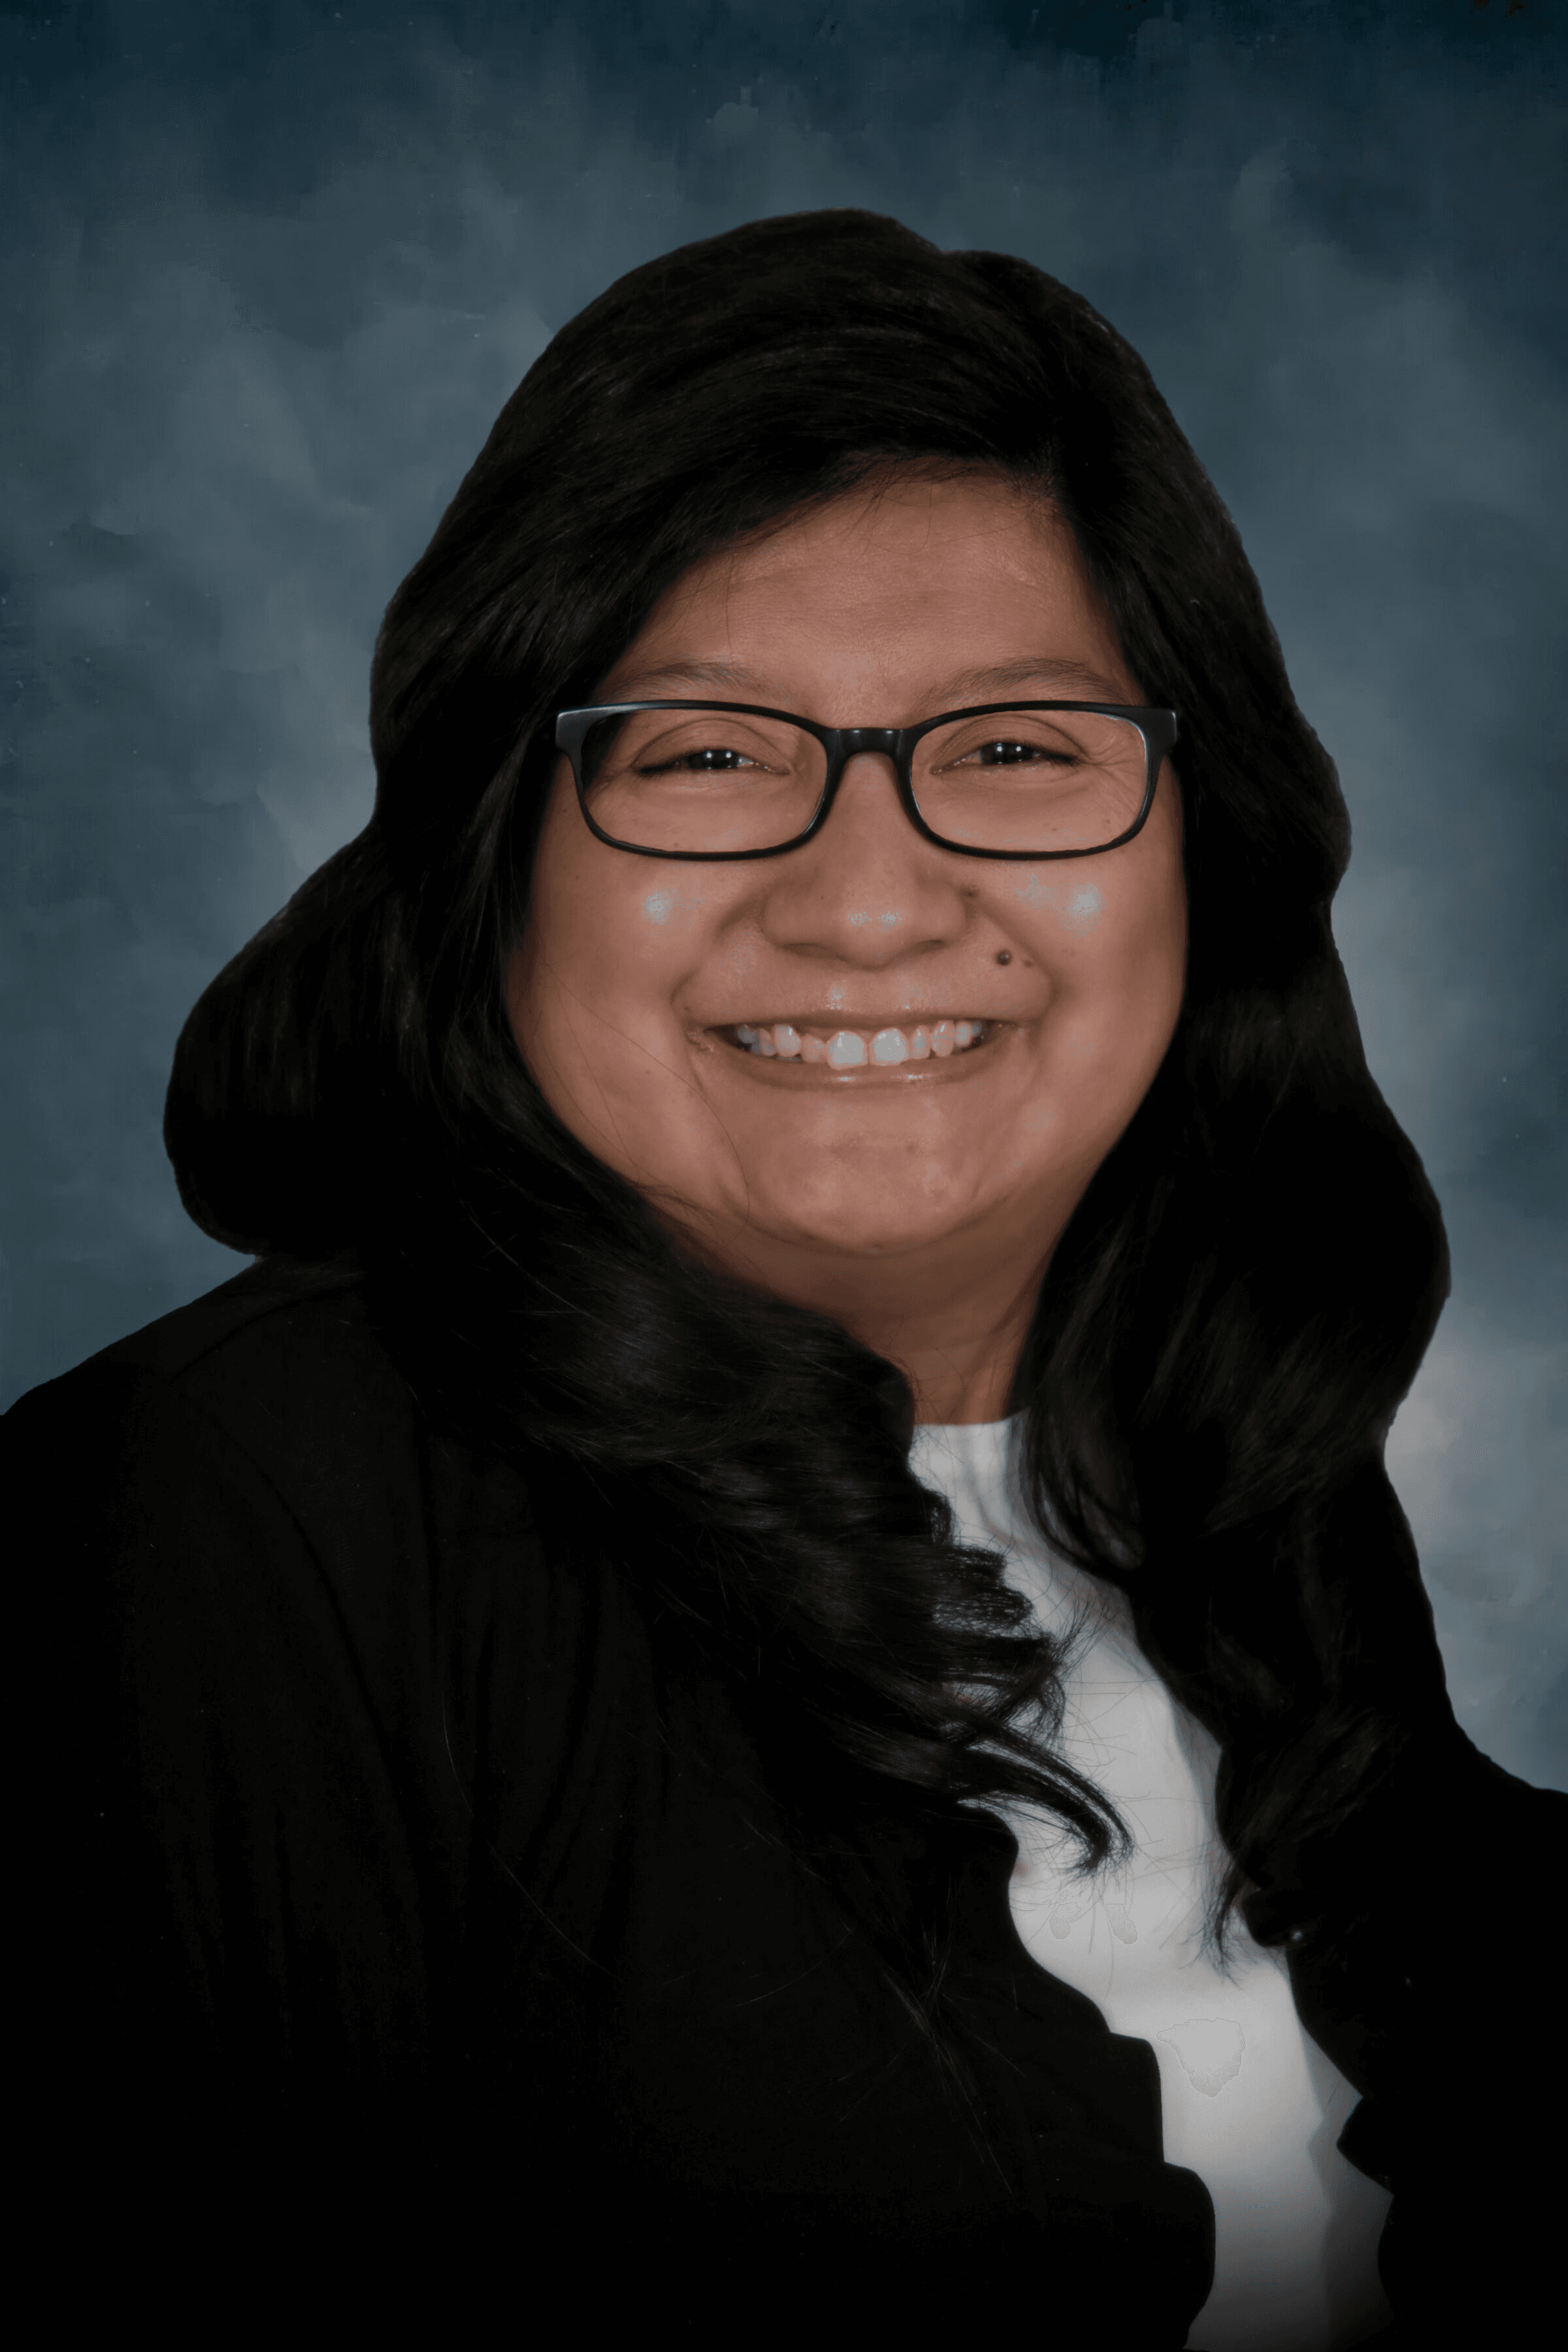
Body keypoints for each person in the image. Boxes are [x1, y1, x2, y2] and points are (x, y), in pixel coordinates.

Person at [7, 210, 1560, 2346]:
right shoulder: (232, 1507)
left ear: (1204, 846)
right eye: (708, 754)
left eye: (1016, 748)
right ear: (498, 863)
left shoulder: (1237, 1472)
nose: (866, 901)